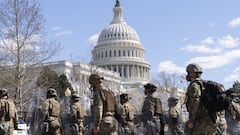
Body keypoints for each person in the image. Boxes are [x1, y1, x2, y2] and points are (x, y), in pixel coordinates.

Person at [185, 63, 217, 135]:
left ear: (192, 73)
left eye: (188, 72)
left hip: (202, 121)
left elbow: (195, 102)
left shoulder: (194, 85)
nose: (187, 75)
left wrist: (191, 120)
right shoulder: (204, 84)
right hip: (211, 119)